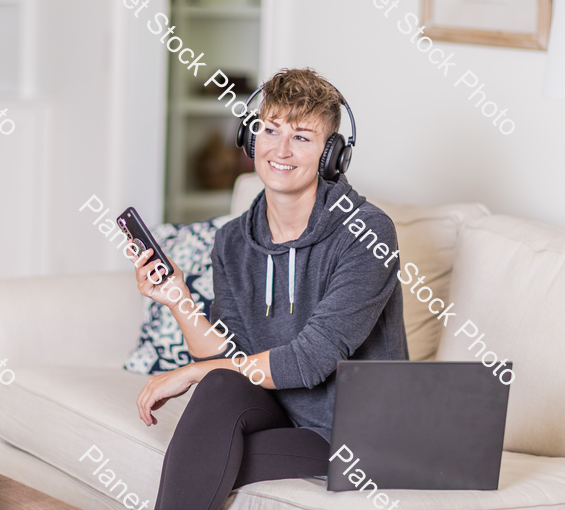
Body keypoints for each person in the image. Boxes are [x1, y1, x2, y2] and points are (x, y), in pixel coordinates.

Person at [127, 68, 408, 510]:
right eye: (270, 129)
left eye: (301, 137)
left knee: (199, 454)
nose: (280, 149)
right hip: (277, 411)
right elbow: (227, 359)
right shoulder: (236, 239)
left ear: (331, 155)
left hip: (353, 437)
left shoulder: (367, 233)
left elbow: (310, 361)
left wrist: (189, 373)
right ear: (250, 137)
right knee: (218, 392)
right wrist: (177, 298)